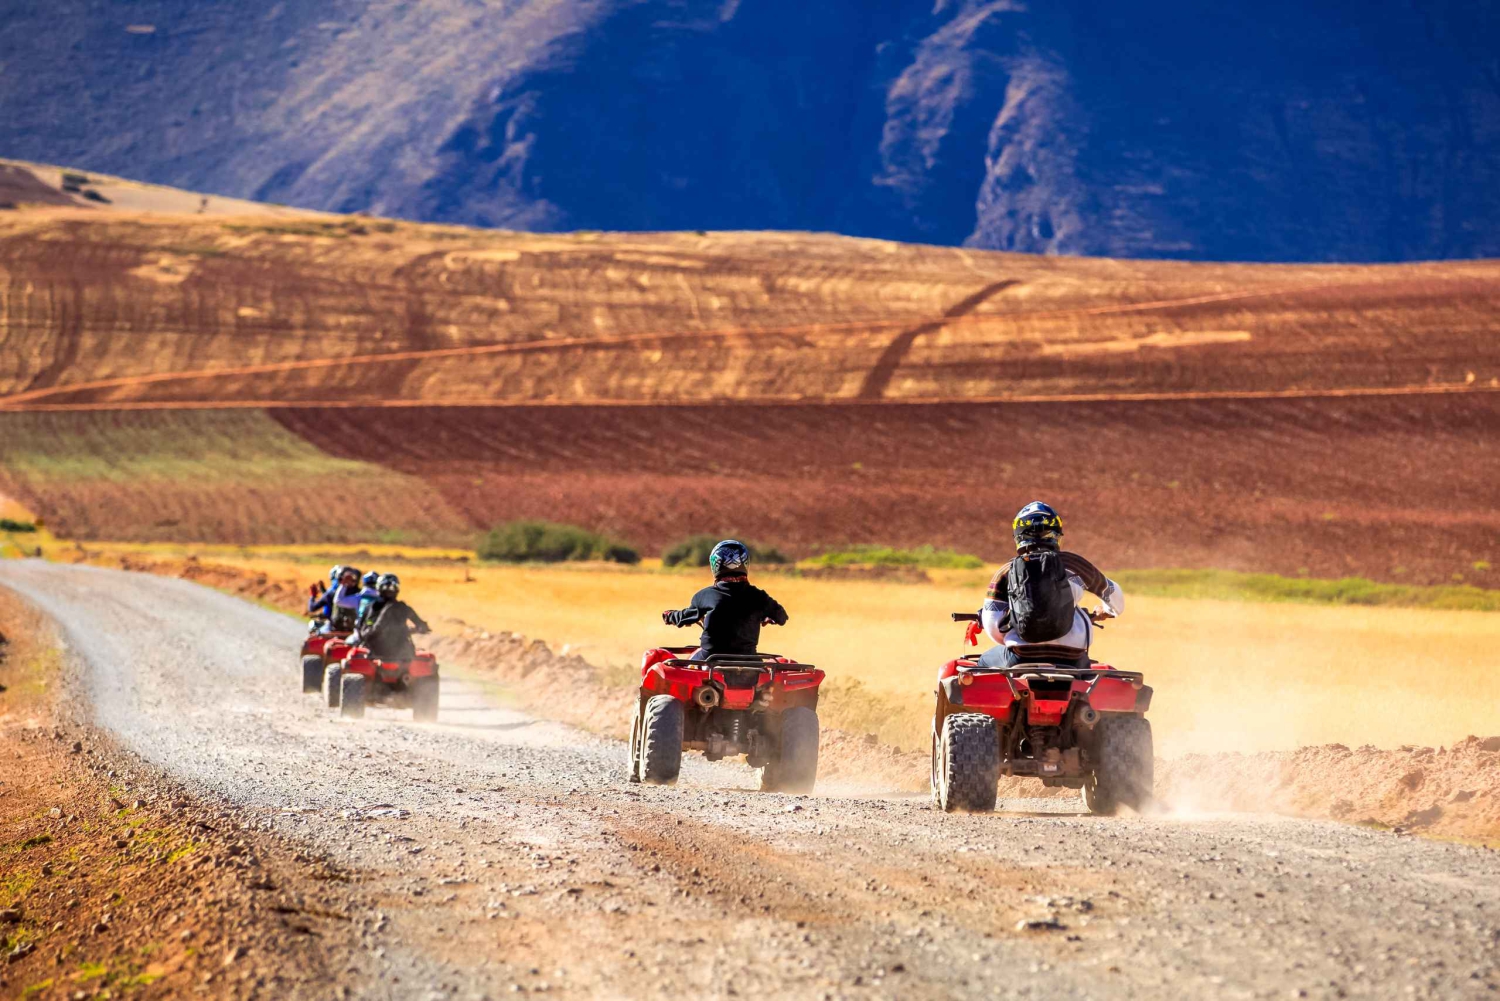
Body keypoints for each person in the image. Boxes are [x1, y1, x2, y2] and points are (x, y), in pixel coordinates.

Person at [975, 502, 1124, 669]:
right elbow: (1115, 598)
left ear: (1018, 535)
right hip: (1073, 658)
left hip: (1020, 657)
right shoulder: (1075, 565)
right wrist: (1106, 610)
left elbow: (992, 624)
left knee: (982, 662)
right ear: (1056, 534)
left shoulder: (1006, 571)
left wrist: (1015, 638)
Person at [661, 540, 788, 660]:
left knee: (678, 661)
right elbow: (782, 617)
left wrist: (670, 616)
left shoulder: (705, 595)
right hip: (750, 664)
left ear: (716, 565)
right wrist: (766, 617)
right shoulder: (759, 597)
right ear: (745, 563)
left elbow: (684, 617)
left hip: (710, 660)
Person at [362, 573, 431, 662]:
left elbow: (366, 627)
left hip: (386, 651)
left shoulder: (373, 606)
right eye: (387, 587)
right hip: (389, 651)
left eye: (391, 588)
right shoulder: (375, 607)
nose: (389, 590)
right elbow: (420, 624)